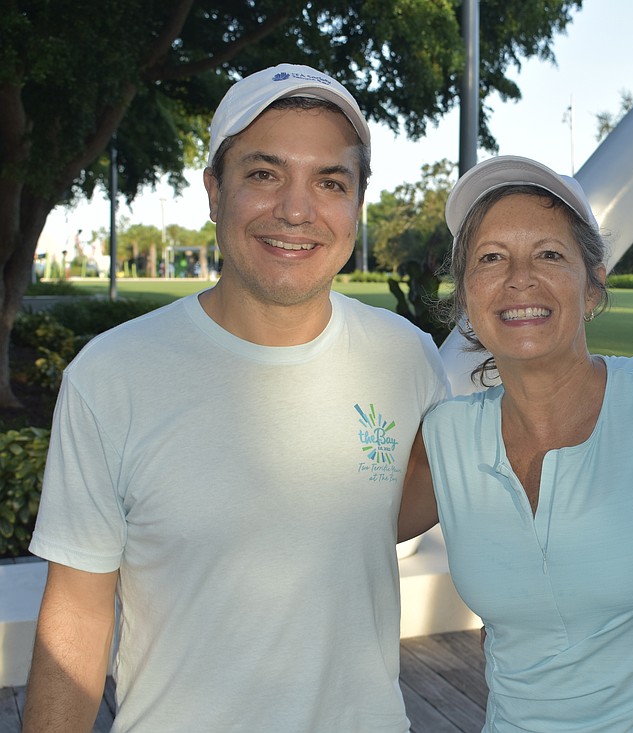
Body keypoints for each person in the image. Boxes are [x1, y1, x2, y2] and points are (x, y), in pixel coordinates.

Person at [23, 64, 449, 732]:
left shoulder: (407, 358)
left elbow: (393, 507)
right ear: (214, 191)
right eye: (263, 173)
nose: (296, 209)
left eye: (329, 182)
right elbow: (76, 611)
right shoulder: (112, 375)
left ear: (356, 208)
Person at [398, 155, 633, 731]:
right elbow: (333, 539)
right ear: (465, 295)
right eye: (491, 258)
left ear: (593, 284)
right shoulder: (445, 440)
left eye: (550, 254)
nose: (519, 277)